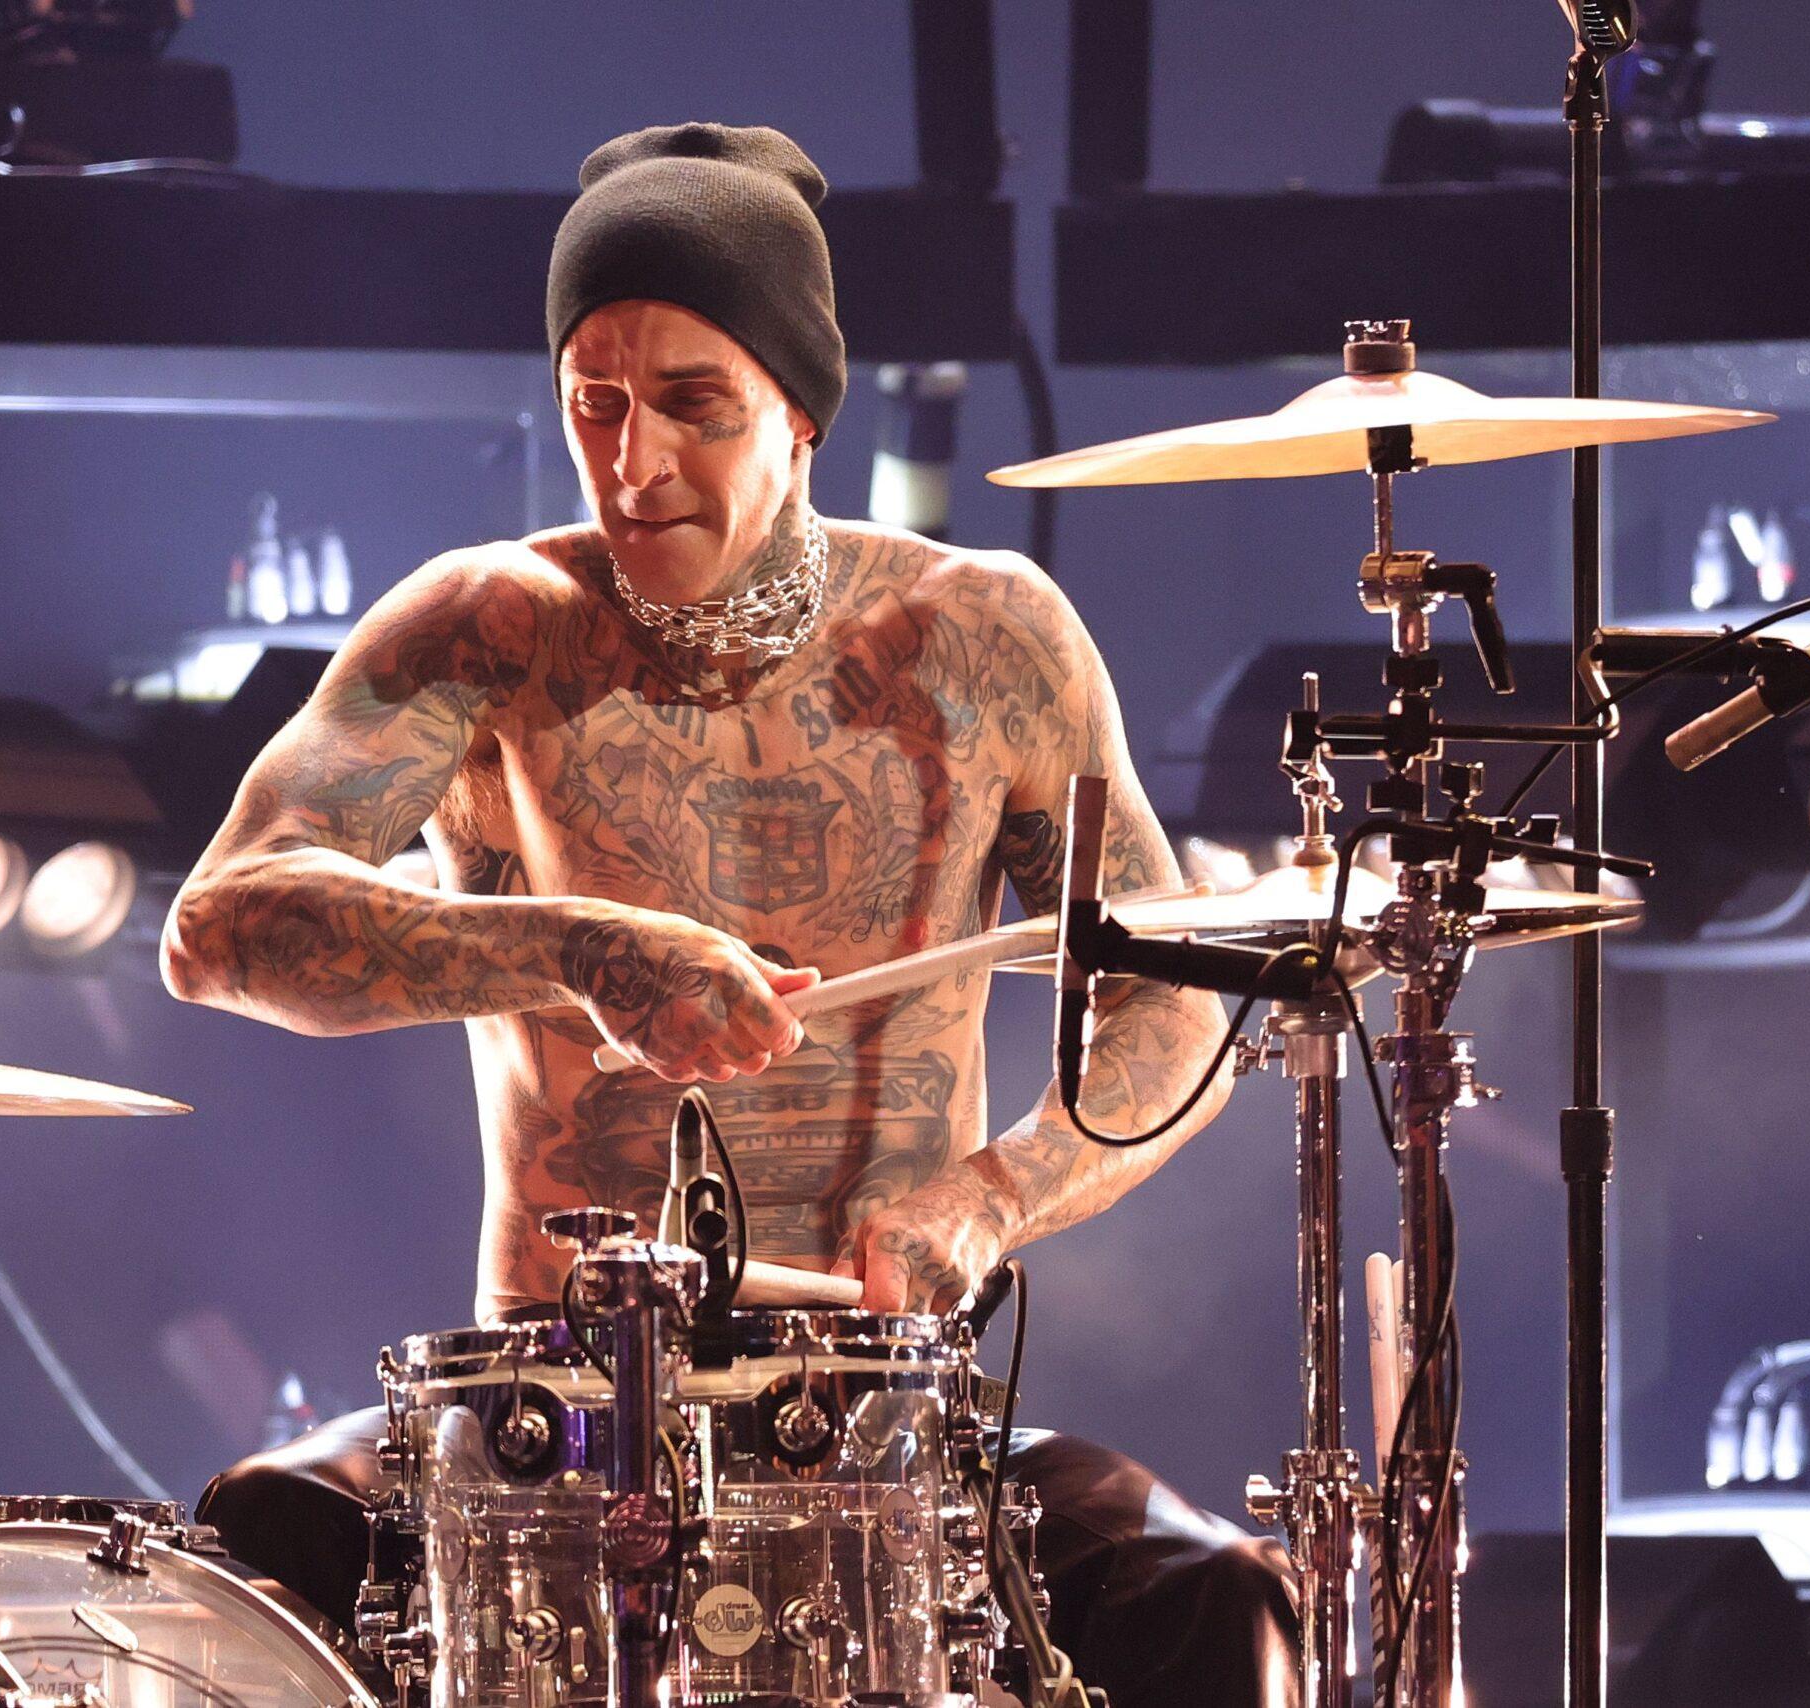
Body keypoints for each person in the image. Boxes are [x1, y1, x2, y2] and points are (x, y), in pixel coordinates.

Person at [162, 122, 1294, 1707]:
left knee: (1212, 1597)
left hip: (891, 1410)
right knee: (266, 1546)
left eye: (694, 407)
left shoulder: (989, 635)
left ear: (803, 412)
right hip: (551, 1413)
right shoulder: (489, 626)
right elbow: (220, 927)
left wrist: (988, 1199)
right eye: (596, 405)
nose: (634, 465)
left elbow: (1172, 1001)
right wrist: (578, 949)